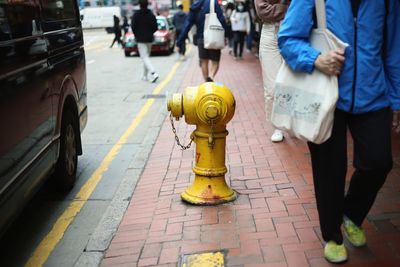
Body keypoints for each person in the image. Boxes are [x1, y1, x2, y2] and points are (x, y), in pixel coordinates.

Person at [277, 0, 400, 263]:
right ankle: (332, 236)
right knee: (329, 169)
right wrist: (316, 59)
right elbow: (287, 38)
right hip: (326, 96)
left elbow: (393, 50)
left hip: (374, 94)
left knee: (378, 163)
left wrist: (397, 99)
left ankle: (352, 214)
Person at [255, 0, 290, 142]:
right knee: (271, 88)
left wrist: (278, 9)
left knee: (293, 82)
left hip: (292, 30)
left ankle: (293, 121)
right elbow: (262, 11)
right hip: (270, 34)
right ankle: (277, 126)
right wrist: (286, 8)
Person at [176, 0, 228, 82]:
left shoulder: (195, 6)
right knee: (215, 63)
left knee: (204, 61)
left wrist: (179, 41)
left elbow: (187, 25)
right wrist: (227, 34)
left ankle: (206, 81)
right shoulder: (213, 3)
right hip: (214, 36)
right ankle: (211, 77)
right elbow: (221, 19)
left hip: (201, 38)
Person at [131, 0, 159, 82]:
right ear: (147, 5)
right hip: (149, 39)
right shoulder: (151, 15)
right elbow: (155, 27)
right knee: (146, 57)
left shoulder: (136, 15)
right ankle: (145, 76)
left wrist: (137, 34)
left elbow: (133, 27)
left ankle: (153, 73)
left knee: (144, 57)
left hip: (140, 39)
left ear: (139, 5)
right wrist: (150, 33)